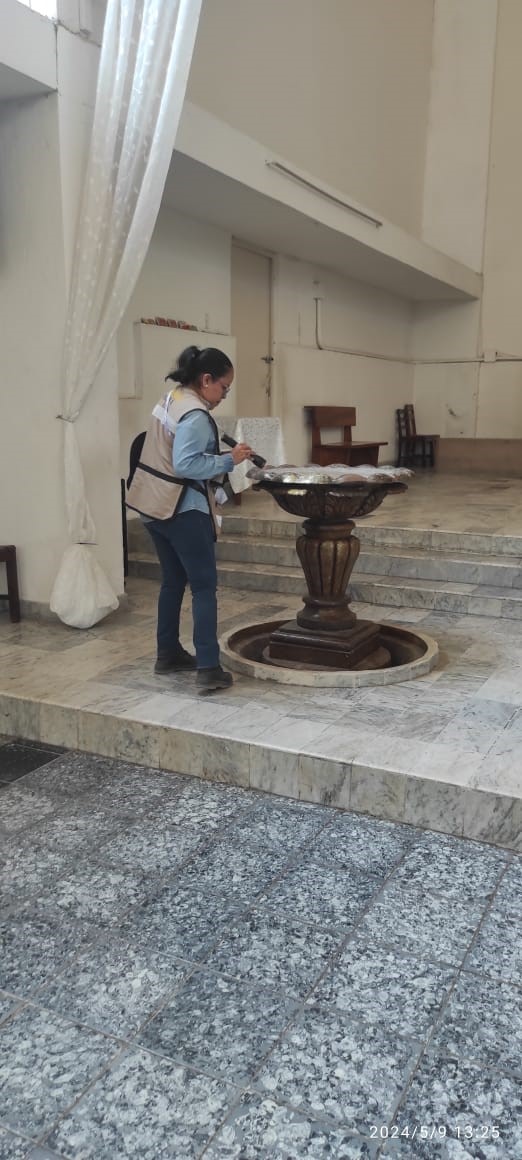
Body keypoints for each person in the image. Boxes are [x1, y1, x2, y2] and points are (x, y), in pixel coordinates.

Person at [126, 346, 252, 694]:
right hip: (181, 510)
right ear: (206, 379)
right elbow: (186, 465)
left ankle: (168, 654)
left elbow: (167, 451)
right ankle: (209, 668)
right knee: (203, 586)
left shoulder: (173, 397)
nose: (224, 395)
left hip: (152, 504)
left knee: (173, 581)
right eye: (224, 387)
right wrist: (228, 461)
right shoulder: (196, 414)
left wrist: (222, 456)